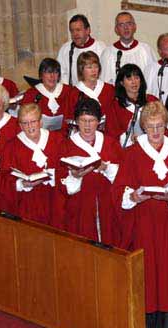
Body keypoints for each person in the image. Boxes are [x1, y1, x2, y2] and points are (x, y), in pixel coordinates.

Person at [113, 100, 168, 328]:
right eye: (150, 127)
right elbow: (119, 190)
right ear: (143, 128)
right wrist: (133, 197)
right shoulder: (132, 154)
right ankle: (148, 327)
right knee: (147, 274)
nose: (156, 132)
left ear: (166, 125)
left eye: (160, 126)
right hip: (143, 223)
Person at [58, 98, 122, 245]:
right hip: (80, 207)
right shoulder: (66, 146)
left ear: (99, 121)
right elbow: (60, 181)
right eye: (83, 120)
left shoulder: (111, 143)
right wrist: (75, 176)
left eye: (92, 120)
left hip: (108, 207)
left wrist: (107, 168)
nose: (87, 126)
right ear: (76, 121)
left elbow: (124, 177)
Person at [0, 103, 64, 227]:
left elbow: (66, 168)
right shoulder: (11, 147)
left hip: (55, 201)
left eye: (33, 122)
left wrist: (54, 175)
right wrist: (22, 183)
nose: (30, 127)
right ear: (20, 125)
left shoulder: (57, 140)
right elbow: (4, 178)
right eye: (25, 123)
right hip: (27, 205)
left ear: (40, 122)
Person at [105, 64, 157, 147]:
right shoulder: (115, 106)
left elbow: (163, 125)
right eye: (129, 79)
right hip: (126, 151)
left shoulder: (152, 101)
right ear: (122, 83)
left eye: (136, 78)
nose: (134, 82)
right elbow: (111, 134)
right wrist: (129, 137)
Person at [100, 11, 156, 85]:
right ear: (116, 30)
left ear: (135, 27)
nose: (126, 28)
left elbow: (152, 79)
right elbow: (104, 82)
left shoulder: (145, 50)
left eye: (129, 24)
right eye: (121, 25)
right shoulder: (108, 53)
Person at [21, 58, 72, 134]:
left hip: (65, 137)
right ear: (41, 75)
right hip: (39, 136)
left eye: (55, 72)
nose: (52, 76)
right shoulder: (31, 94)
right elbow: (24, 119)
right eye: (48, 72)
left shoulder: (69, 92)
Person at [56, 14, 106, 86]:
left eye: (78, 30)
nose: (75, 34)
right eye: (72, 31)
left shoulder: (100, 48)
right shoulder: (65, 49)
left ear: (88, 30)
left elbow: (104, 74)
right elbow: (62, 74)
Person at [67, 51, 115, 118]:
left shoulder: (109, 89)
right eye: (89, 67)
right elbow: (71, 117)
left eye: (96, 66)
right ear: (81, 70)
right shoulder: (74, 93)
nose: (94, 70)